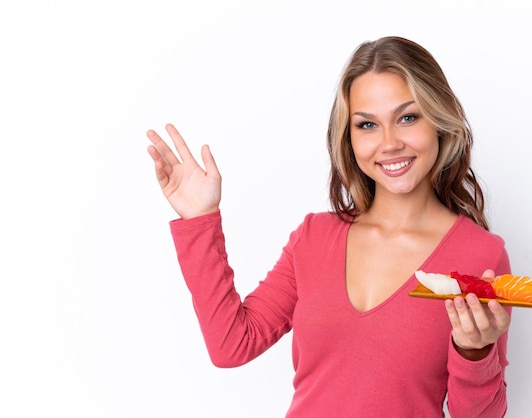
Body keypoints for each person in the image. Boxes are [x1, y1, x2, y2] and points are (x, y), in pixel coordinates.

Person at [146, 36, 512, 417]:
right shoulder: (314, 238)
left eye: (407, 117)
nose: (389, 143)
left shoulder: (481, 255)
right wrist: (200, 221)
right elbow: (231, 345)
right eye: (367, 124)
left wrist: (475, 351)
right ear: (349, 138)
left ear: (438, 120)